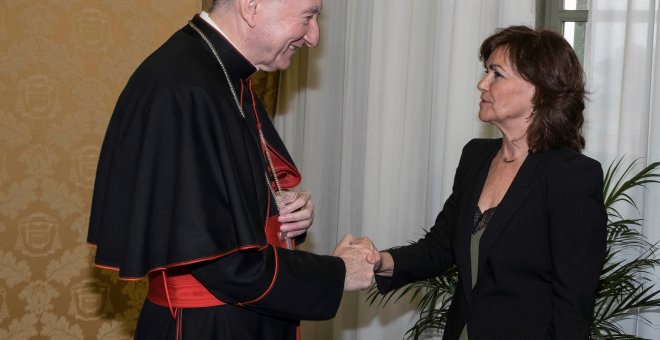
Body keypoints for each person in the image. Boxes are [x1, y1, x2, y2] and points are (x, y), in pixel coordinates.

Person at [87, 0, 375, 339]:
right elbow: (220, 263)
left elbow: (208, 214)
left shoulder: (216, 72)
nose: (313, 37)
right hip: (208, 327)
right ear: (251, 6)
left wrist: (271, 210)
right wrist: (338, 273)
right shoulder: (184, 88)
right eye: (309, 16)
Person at [367, 26, 607, 340]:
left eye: (497, 74)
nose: (482, 84)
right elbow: (440, 247)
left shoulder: (570, 175)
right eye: (485, 72)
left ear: (540, 91)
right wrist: (378, 261)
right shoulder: (475, 157)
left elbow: (573, 301)